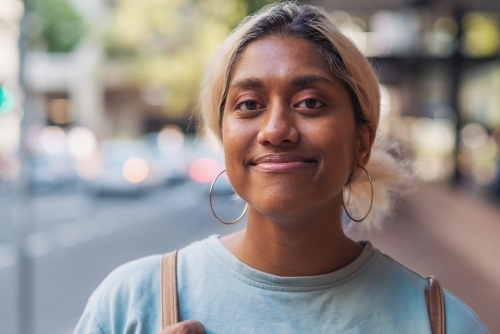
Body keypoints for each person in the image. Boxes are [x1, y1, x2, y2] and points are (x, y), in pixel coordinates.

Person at [74, 2, 488, 334]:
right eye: (249, 105)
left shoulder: (441, 323)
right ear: (224, 137)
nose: (275, 130)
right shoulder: (130, 303)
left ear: (361, 141)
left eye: (310, 102)